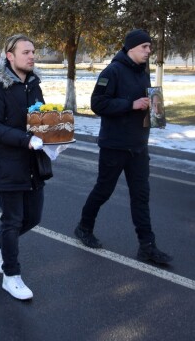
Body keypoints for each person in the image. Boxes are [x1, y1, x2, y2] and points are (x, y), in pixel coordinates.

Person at [74, 29, 172, 265]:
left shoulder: (142, 71)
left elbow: (143, 103)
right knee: (103, 191)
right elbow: (97, 103)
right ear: (131, 48)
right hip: (115, 146)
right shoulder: (112, 71)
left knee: (141, 196)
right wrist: (131, 104)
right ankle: (83, 228)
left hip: (138, 146)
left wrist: (154, 109)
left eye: (150, 47)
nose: (149, 51)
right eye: (145, 47)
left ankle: (147, 246)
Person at [0, 34, 48, 301]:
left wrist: (55, 137)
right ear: (10, 56)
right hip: (6, 164)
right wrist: (25, 140)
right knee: (12, 221)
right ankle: (11, 276)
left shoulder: (33, 84)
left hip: (33, 163)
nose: (32, 56)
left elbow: (40, 116)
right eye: (26, 52)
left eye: (33, 51)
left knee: (33, 218)